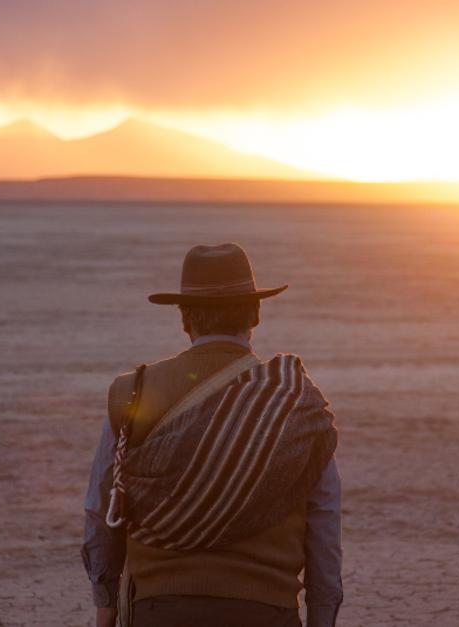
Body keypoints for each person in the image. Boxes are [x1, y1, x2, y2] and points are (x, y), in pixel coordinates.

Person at [83, 243, 342, 627]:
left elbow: (104, 508)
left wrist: (105, 600)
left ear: (184, 318)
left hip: (159, 611)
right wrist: (322, 617)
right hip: (266, 611)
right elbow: (323, 518)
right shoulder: (292, 402)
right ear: (255, 313)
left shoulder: (133, 394)